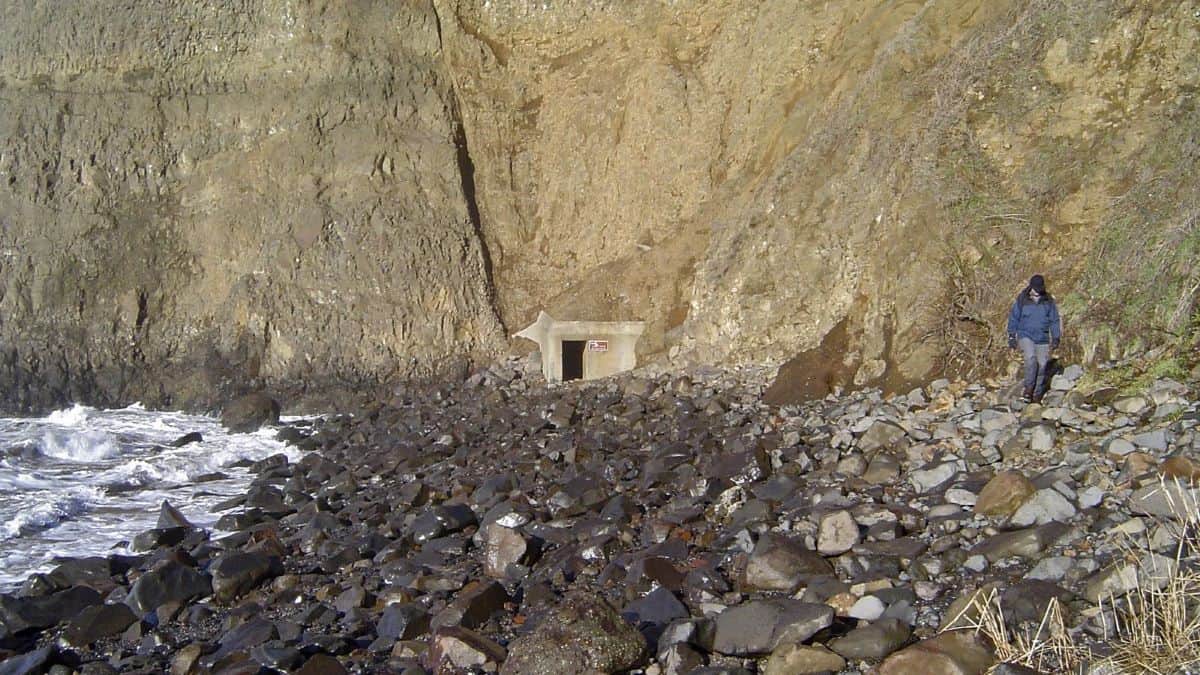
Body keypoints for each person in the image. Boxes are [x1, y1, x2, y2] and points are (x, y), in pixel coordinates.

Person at [1007, 274, 1062, 402]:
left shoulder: (1048, 300)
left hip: (1042, 337)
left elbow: (1054, 320)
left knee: (1042, 365)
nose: (1039, 290)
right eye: (1036, 288)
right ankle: (1028, 389)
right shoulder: (1023, 299)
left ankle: (1037, 394)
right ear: (1031, 287)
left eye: (1040, 287)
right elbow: (1014, 317)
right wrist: (1011, 335)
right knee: (1031, 358)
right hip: (1025, 335)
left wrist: (1056, 337)